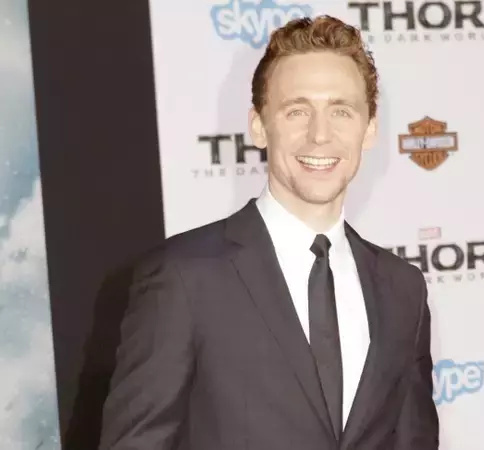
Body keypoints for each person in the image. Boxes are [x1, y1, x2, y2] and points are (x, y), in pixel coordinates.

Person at [99, 15, 439, 450]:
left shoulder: (402, 288)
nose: (320, 135)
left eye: (341, 111)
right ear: (259, 125)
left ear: (369, 128)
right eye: (297, 111)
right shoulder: (184, 278)